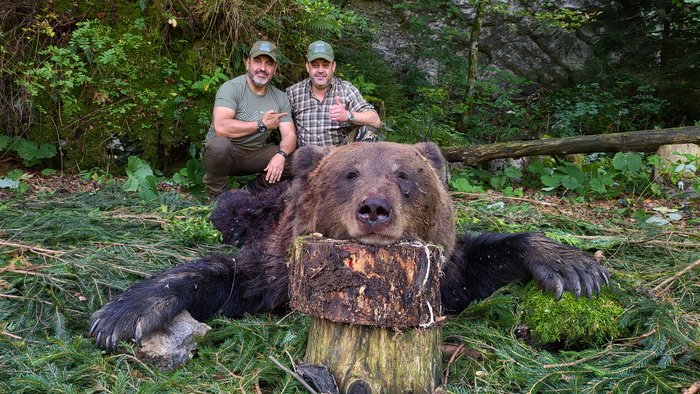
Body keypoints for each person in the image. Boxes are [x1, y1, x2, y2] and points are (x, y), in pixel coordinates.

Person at [203, 41, 296, 199]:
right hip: (225, 155)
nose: (262, 68)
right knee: (219, 145)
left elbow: (290, 135)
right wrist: (262, 125)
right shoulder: (231, 88)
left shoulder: (280, 97)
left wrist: (281, 154)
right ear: (248, 63)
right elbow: (221, 127)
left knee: (296, 158)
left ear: (274, 69)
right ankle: (216, 194)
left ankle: (251, 192)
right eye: (257, 61)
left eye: (268, 64)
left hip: (253, 155)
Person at [286, 40, 381, 147]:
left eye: (325, 65)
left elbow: (375, 120)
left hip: (338, 158)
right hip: (306, 157)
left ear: (333, 66)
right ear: (308, 67)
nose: (320, 70)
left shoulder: (346, 90)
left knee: (368, 131)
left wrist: (348, 115)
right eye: (315, 65)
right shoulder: (293, 93)